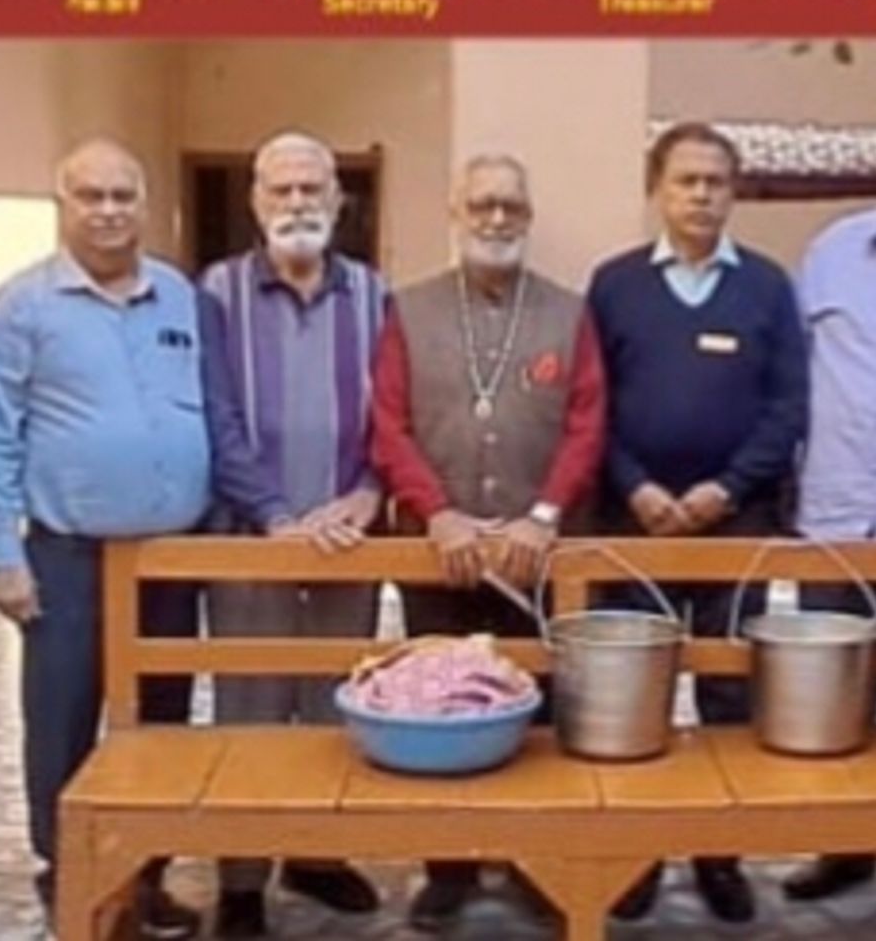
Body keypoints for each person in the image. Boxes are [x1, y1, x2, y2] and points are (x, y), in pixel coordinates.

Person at [0, 138, 290, 940]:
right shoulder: (21, 307)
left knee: (161, 725)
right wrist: (5, 558)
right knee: (63, 720)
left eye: (123, 196)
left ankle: (145, 874)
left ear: (146, 205)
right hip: (70, 557)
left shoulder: (181, 296)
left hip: (169, 560)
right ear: (64, 205)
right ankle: (69, 875)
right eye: (91, 196)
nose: (109, 211)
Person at [371, 152, 605, 932]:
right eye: (482, 205)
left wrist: (543, 514)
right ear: (456, 213)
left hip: (536, 552)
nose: (497, 219)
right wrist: (437, 512)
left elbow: (587, 423)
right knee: (442, 708)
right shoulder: (408, 309)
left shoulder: (569, 313)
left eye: (511, 206)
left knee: (536, 713)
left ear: (528, 216)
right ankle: (449, 867)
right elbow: (388, 424)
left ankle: (536, 863)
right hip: (438, 549)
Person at [588, 121, 808, 924]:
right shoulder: (614, 285)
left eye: (716, 181)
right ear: (658, 189)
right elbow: (590, 404)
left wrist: (727, 487)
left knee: (728, 691)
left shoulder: (768, 287)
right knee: (632, 697)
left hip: (736, 524)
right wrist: (637, 485)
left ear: (733, 192)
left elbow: (789, 407)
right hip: (632, 525)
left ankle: (721, 856)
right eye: (686, 180)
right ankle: (636, 856)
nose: (702, 195)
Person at [200, 131, 385, 938]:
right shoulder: (217, 292)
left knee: (333, 704)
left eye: (313, 188)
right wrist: (274, 513)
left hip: (349, 539)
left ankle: (318, 855)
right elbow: (216, 417)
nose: (298, 202)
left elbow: (395, 415)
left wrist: (369, 494)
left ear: (338, 199)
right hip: (252, 536)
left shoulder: (376, 295)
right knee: (250, 707)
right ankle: (242, 879)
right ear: (256, 201)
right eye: (281, 189)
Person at [780, 207, 876, 903]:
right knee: (837, 697)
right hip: (838, 512)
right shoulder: (831, 252)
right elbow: (794, 371)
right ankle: (847, 847)